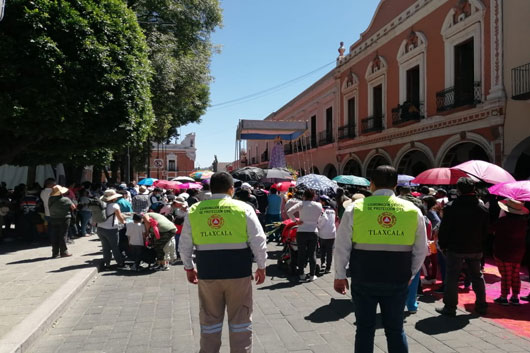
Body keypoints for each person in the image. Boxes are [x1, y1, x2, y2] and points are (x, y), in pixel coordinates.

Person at [334, 165, 427, 353]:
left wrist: (339, 274)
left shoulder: (355, 208)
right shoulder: (412, 210)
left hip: (364, 277)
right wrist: (411, 273)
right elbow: (421, 249)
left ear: (371, 184)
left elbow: (342, 245)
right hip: (397, 278)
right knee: (395, 329)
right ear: (395, 185)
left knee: (364, 329)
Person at [179, 172, 267, 353]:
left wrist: (189, 267)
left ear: (211, 189)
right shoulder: (243, 208)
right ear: (231, 189)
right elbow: (258, 240)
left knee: (210, 320)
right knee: (240, 320)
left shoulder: (195, 210)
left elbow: (185, 243)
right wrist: (261, 266)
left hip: (208, 272)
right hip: (238, 272)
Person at [436, 177, 489, 316]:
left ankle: (450, 307)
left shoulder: (451, 207)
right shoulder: (481, 207)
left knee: (452, 277)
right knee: (477, 276)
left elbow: (444, 230)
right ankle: (481, 306)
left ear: (458, 190)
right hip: (475, 247)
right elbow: (486, 230)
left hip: (455, 248)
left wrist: (443, 245)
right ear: (474, 189)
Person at [491, 199, 529, 305]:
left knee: (506, 274)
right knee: (515, 274)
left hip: (503, 250)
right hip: (518, 251)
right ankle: (515, 296)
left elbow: (492, 230)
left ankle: (504, 297)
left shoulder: (503, 221)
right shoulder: (523, 222)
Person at [287, 189, 323, 282]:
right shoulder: (319, 205)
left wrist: (296, 221)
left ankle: (302, 274)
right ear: (314, 196)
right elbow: (321, 216)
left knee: (301, 253)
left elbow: (289, 211)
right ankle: (312, 275)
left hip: (302, 231)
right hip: (313, 231)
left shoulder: (301, 204)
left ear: (304, 195)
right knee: (312, 254)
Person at [97, 189, 126, 269]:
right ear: (113, 198)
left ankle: (107, 263)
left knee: (105, 247)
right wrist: (124, 222)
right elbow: (120, 218)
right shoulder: (115, 206)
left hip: (100, 228)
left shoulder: (102, 204)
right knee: (115, 247)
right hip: (111, 229)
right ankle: (120, 262)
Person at [48, 185, 74, 258]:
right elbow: (73, 207)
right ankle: (64, 252)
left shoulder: (50, 199)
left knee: (54, 235)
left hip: (53, 218)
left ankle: (55, 253)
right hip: (64, 219)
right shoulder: (66, 199)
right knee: (63, 235)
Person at [317, 195, 336, 274]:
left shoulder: (322, 210)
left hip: (323, 233)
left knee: (323, 250)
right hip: (332, 233)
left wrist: (318, 227)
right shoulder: (333, 210)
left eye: (320, 201)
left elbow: (323, 219)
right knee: (330, 251)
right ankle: (328, 267)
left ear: (323, 202)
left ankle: (323, 264)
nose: (319, 202)